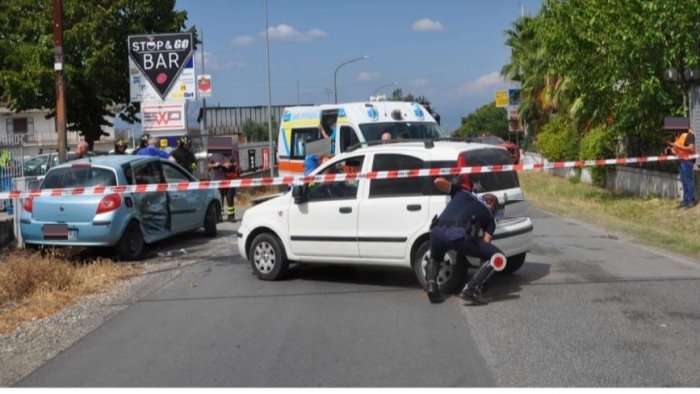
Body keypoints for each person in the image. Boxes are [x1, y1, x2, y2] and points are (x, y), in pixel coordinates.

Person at [425, 175, 502, 305]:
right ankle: (470, 289)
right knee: (498, 256)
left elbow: (437, 181)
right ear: (492, 205)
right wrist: (483, 276)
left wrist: (451, 183)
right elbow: (486, 244)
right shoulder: (490, 216)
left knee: (436, 256)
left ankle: (432, 287)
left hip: (436, 231)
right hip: (458, 235)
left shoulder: (462, 192)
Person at [667, 127, 696, 208]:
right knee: (684, 181)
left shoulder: (689, 135)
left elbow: (691, 148)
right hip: (681, 160)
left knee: (688, 181)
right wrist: (672, 149)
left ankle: (691, 200)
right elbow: (678, 148)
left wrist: (677, 146)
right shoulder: (679, 135)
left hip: (687, 161)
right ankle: (686, 200)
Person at [209, 152, 235, 220]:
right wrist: (214, 165)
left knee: (230, 199)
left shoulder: (231, 154)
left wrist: (230, 164)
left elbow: (236, 164)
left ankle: (231, 216)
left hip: (229, 181)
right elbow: (208, 166)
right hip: (218, 181)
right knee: (220, 200)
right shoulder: (214, 155)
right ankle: (219, 217)